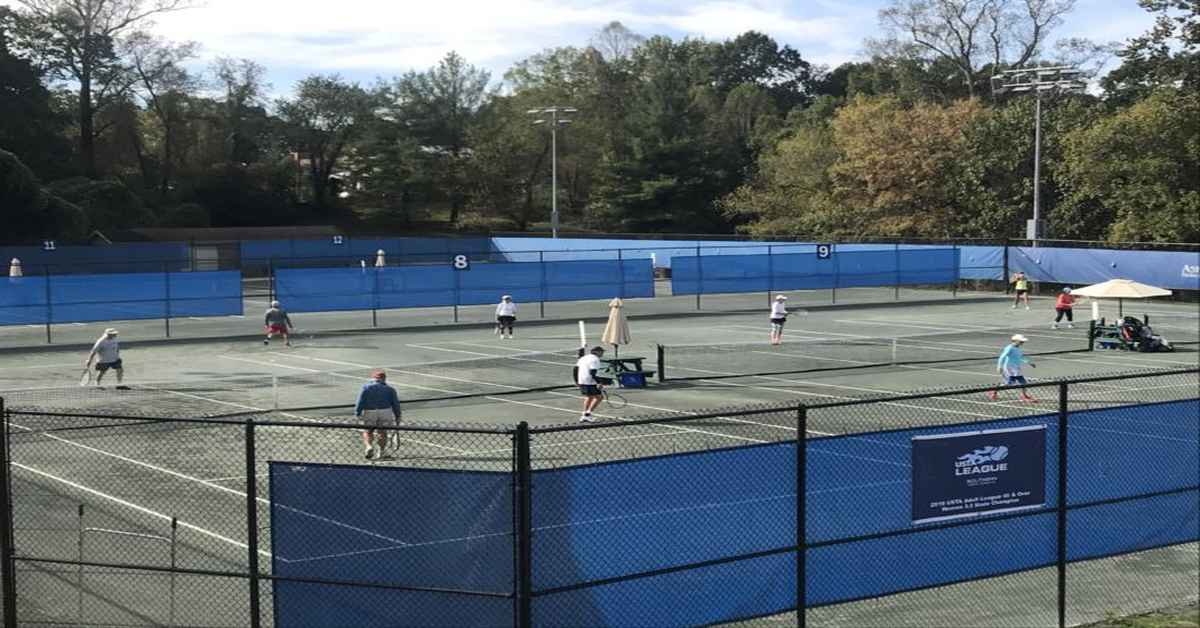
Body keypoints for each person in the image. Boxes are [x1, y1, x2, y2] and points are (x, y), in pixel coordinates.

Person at [355, 370, 402, 459]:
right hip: (385, 411)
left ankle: (369, 446)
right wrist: (398, 415)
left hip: (370, 411)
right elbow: (395, 404)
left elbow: (360, 401)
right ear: (384, 378)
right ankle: (381, 452)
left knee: (368, 431)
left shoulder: (366, 388)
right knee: (383, 432)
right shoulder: (390, 389)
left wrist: (357, 413)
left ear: (373, 378)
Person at [987, 335, 1037, 402]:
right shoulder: (1009, 348)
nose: (1022, 343)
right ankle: (993, 391)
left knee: (1023, 382)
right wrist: (999, 366)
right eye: (1021, 341)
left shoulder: (1017, 348)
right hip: (1009, 368)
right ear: (1015, 341)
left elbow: (1020, 357)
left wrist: (1029, 363)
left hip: (1016, 368)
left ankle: (1024, 396)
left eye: (1023, 341)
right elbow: (1002, 357)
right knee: (1009, 383)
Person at [575, 346, 606, 423]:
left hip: (582, 380)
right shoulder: (595, 359)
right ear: (597, 352)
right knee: (599, 397)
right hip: (589, 381)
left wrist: (577, 381)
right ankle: (587, 415)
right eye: (601, 352)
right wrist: (599, 382)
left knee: (590, 397)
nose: (602, 353)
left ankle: (586, 414)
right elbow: (593, 372)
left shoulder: (583, 358)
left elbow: (575, 369)